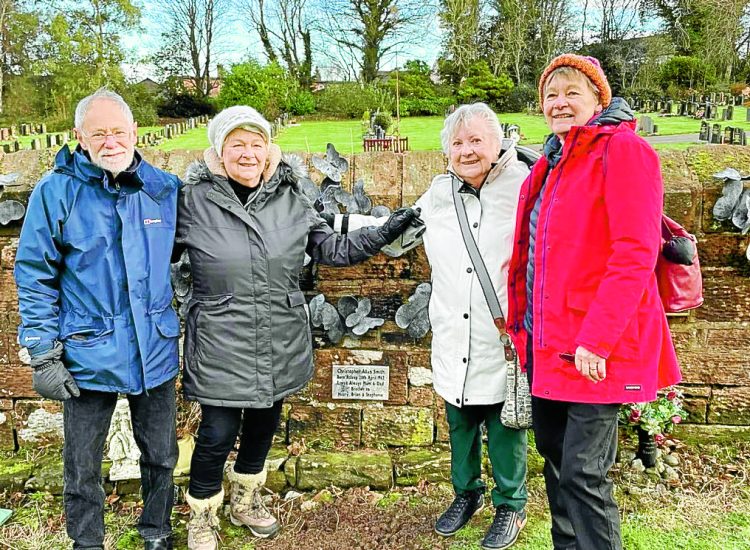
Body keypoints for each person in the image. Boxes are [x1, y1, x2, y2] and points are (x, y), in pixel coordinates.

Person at [174, 105, 418, 550]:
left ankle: (246, 499)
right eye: (236, 145)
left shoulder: (290, 196)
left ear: (269, 150)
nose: (247, 154)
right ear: (218, 152)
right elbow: (152, 254)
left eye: (256, 144)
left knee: (264, 424)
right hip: (220, 337)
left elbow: (330, 247)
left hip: (278, 334)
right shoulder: (192, 200)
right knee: (217, 432)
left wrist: (383, 232)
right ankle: (203, 512)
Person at [335, 103, 532, 550]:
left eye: (476, 140)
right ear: (446, 152)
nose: (467, 151)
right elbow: (398, 233)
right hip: (452, 328)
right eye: (458, 143)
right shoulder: (439, 192)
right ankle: (466, 494)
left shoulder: (525, 183)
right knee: (460, 420)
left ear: (498, 141)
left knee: (505, 425)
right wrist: (332, 223)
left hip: (503, 332)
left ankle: (511, 504)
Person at [506, 54, 682, 550]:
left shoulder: (623, 151)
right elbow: (534, 254)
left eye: (572, 93)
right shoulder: (551, 161)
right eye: (551, 95)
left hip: (594, 348)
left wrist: (597, 339)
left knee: (584, 473)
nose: (560, 103)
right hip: (547, 344)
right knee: (557, 461)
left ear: (598, 99)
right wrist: (520, 329)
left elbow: (635, 251)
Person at [14, 88, 181, 550]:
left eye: (119, 131)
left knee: (162, 455)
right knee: (82, 464)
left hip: (155, 346)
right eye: (99, 133)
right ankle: (87, 542)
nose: (111, 142)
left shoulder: (162, 189)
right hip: (88, 348)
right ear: (79, 137)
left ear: (134, 133)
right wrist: (43, 352)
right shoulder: (56, 192)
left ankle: (157, 532)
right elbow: (34, 273)